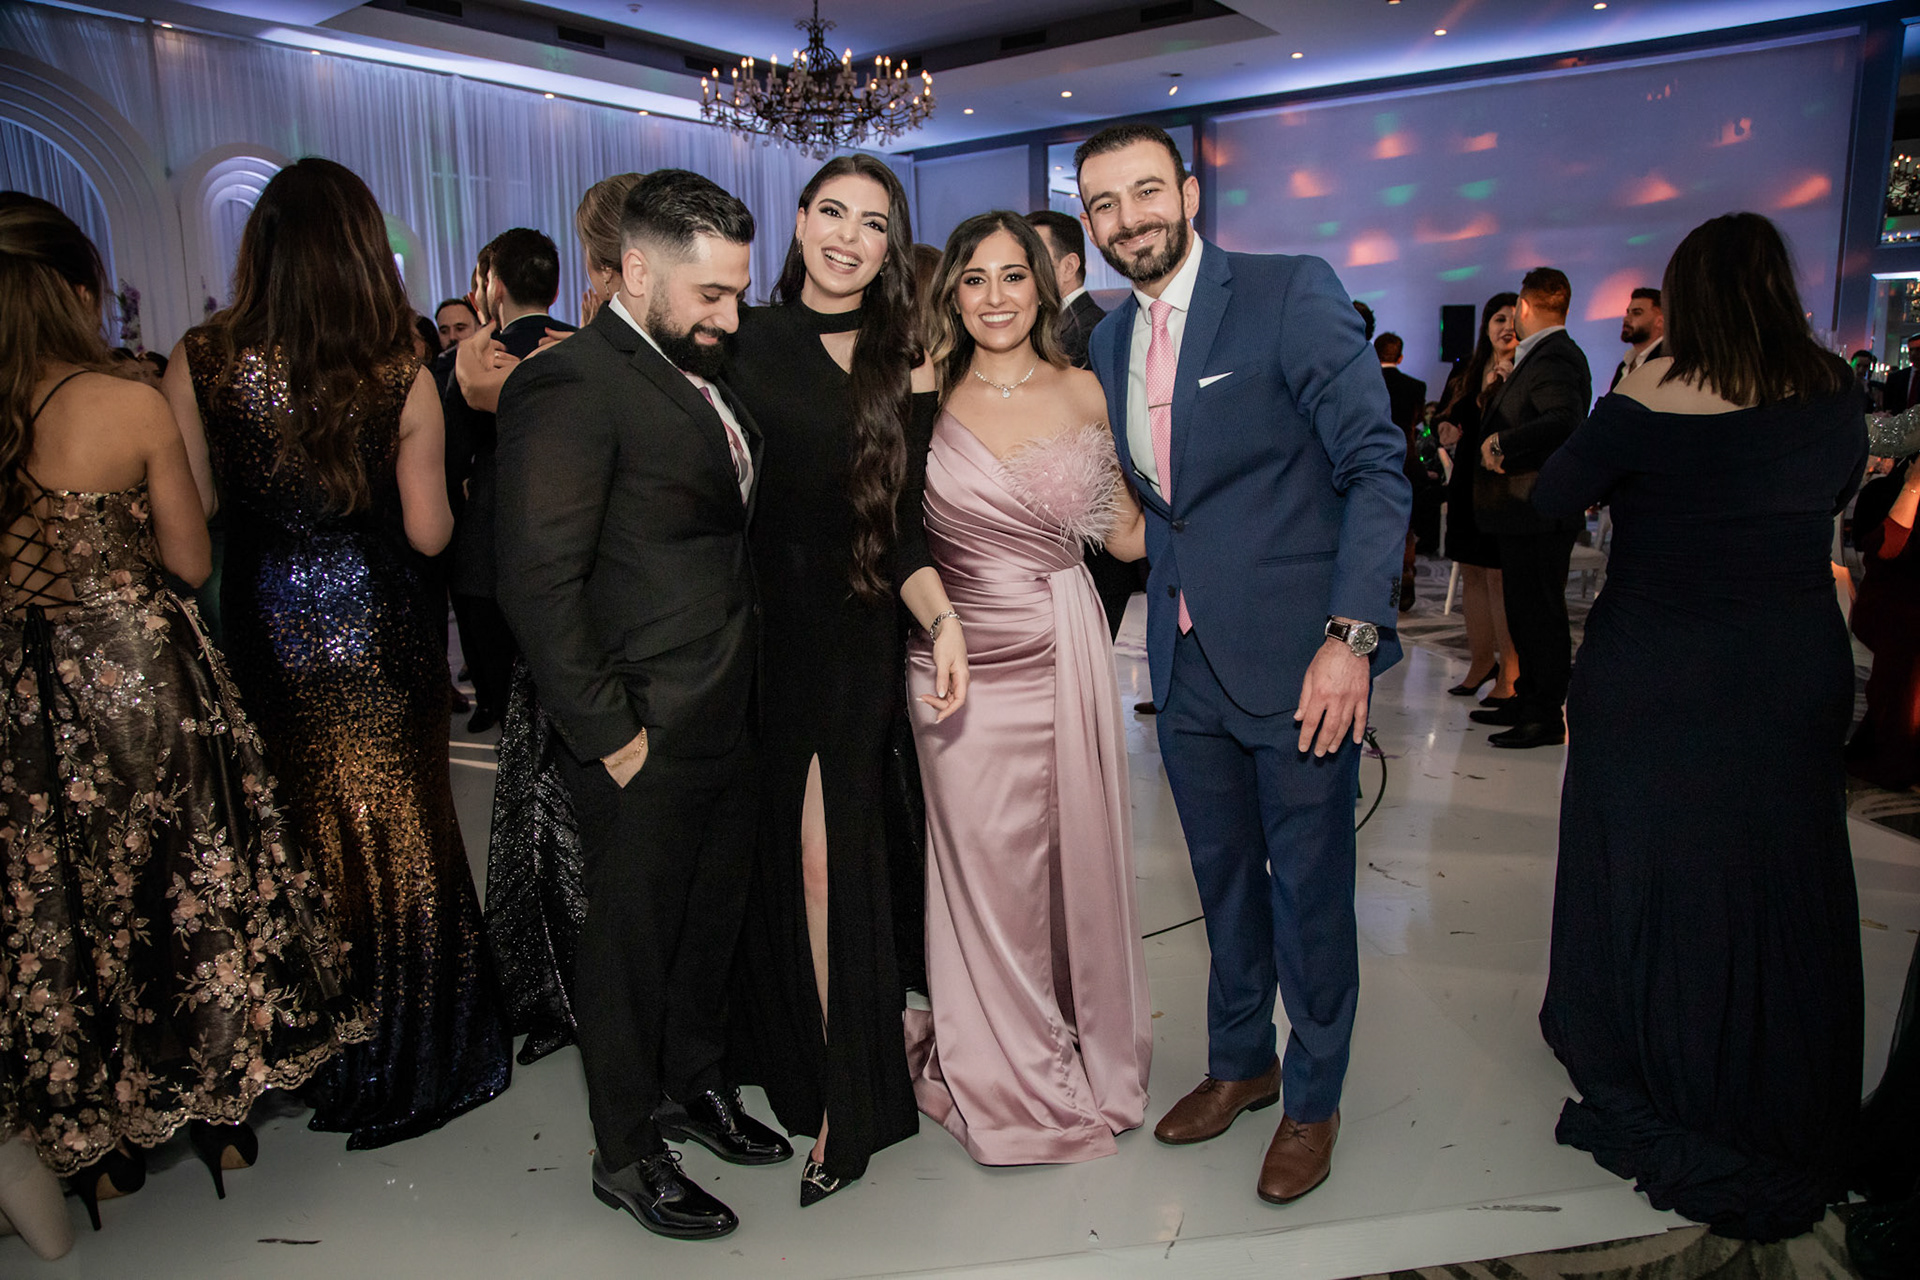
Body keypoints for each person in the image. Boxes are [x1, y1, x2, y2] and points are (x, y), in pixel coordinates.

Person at [1, 192, 364, 1223]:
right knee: (180, 886)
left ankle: (93, 1150)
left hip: (19, 693)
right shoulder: (122, 404)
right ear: (73, 290)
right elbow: (190, 559)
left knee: (55, 908)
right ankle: (222, 1118)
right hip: (137, 680)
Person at [1076, 123, 1411, 1205]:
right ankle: (1240, 1062)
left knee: (1308, 892)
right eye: (1103, 203)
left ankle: (1313, 1097)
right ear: (1089, 222)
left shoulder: (1287, 290)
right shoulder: (1108, 341)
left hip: (1301, 661)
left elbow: (1376, 465)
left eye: (1144, 192)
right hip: (1183, 668)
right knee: (1221, 883)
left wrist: (1350, 638)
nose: (1128, 218)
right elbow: (1160, 509)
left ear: (1188, 192)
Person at [164, 157, 512, 1150]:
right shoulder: (399, 369)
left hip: (267, 628)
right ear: (364, 250)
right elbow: (431, 532)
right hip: (380, 626)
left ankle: (325, 1050)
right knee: (404, 834)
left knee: (298, 835)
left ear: (261, 247)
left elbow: (195, 514)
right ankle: (418, 1051)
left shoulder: (199, 359)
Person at [1535, 211, 1867, 1242]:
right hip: (1790, 663)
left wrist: (1638, 391)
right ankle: (1773, 1061)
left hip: (1659, 667)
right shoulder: (1832, 387)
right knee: (1780, 866)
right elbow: (1837, 489)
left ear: (1685, 295)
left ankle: (1655, 1046)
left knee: (1647, 858)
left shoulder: (1650, 386)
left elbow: (1555, 494)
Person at [495, 169, 789, 1242]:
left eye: (737, 293)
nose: (729, 316)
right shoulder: (570, 382)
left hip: (727, 705)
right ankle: (625, 1149)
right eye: (709, 294)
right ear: (634, 271)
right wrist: (608, 733)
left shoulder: (698, 368)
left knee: (708, 924)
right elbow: (538, 580)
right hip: (642, 728)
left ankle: (693, 1086)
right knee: (627, 948)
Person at [725, 154, 960, 1205]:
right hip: (748, 636)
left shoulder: (903, 356)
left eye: (873, 222)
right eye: (833, 212)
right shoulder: (737, 339)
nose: (849, 237)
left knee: (830, 863)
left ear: (889, 244)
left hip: (852, 635)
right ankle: (784, 1054)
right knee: (761, 853)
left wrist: (942, 621)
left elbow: (903, 527)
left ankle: (845, 1100)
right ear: (799, 219)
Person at [905, 209, 1151, 1166]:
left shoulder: (1086, 389)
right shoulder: (922, 388)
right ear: (952, 294)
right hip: (954, 659)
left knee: (1066, 860)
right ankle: (1005, 1067)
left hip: (1063, 644)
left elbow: (1123, 536)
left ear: (1041, 288)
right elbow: (891, 528)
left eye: (1013, 276)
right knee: (986, 869)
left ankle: (1069, 1033)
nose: (995, 297)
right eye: (975, 279)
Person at [482, 172, 640, 1069]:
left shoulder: (550, 366)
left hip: (600, 641)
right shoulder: (561, 366)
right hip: (594, 643)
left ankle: (584, 985)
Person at [445, 227, 576, 736]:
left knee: (508, 700)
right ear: (555, 288)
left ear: (494, 287)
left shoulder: (473, 359)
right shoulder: (581, 345)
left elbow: (452, 459)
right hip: (571, 538)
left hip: (492, 543)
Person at [1473, 267, 1591, 749]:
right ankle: (1527, 699)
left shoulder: (1555, 355)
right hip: (1525, 509)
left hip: (1538, 506)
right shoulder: (1543, 354)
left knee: (1540, 613)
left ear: (1524, 306)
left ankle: (1543, 714)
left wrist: (1503, 441)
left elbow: (1563, 419)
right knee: (1525, 610)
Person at [1028, 208, 1139, 641]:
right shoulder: (1052, 329)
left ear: (1068, 265)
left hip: (1092, 544)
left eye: (1033, 258)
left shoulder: (1094, 333)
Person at [1435, 293, 1521, 703]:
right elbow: (1447, 415)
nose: (1506, 327)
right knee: (1470, 571)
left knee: (1499, 576)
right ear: (1486, 326)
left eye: (1513, 320)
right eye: (1499, 319)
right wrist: (1446, 428)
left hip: (1502, 483)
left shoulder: (1525, 368)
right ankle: (1481, 661)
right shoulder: (1468, 368)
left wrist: (1502, 385)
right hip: (1467, 478)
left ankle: (1511, 671)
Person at [1846, 454, 1920, 791]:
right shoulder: (1885, 491)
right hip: (1892, 600)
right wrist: (1914, 486)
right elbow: (1886, 551)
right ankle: (1898, 751)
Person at [1609, 286, 1664, 391]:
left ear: (1659, 321)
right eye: (1628, 312)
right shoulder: (1624, 365)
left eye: (1637, 313)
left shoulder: (1666, 363)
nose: (1626, 319)